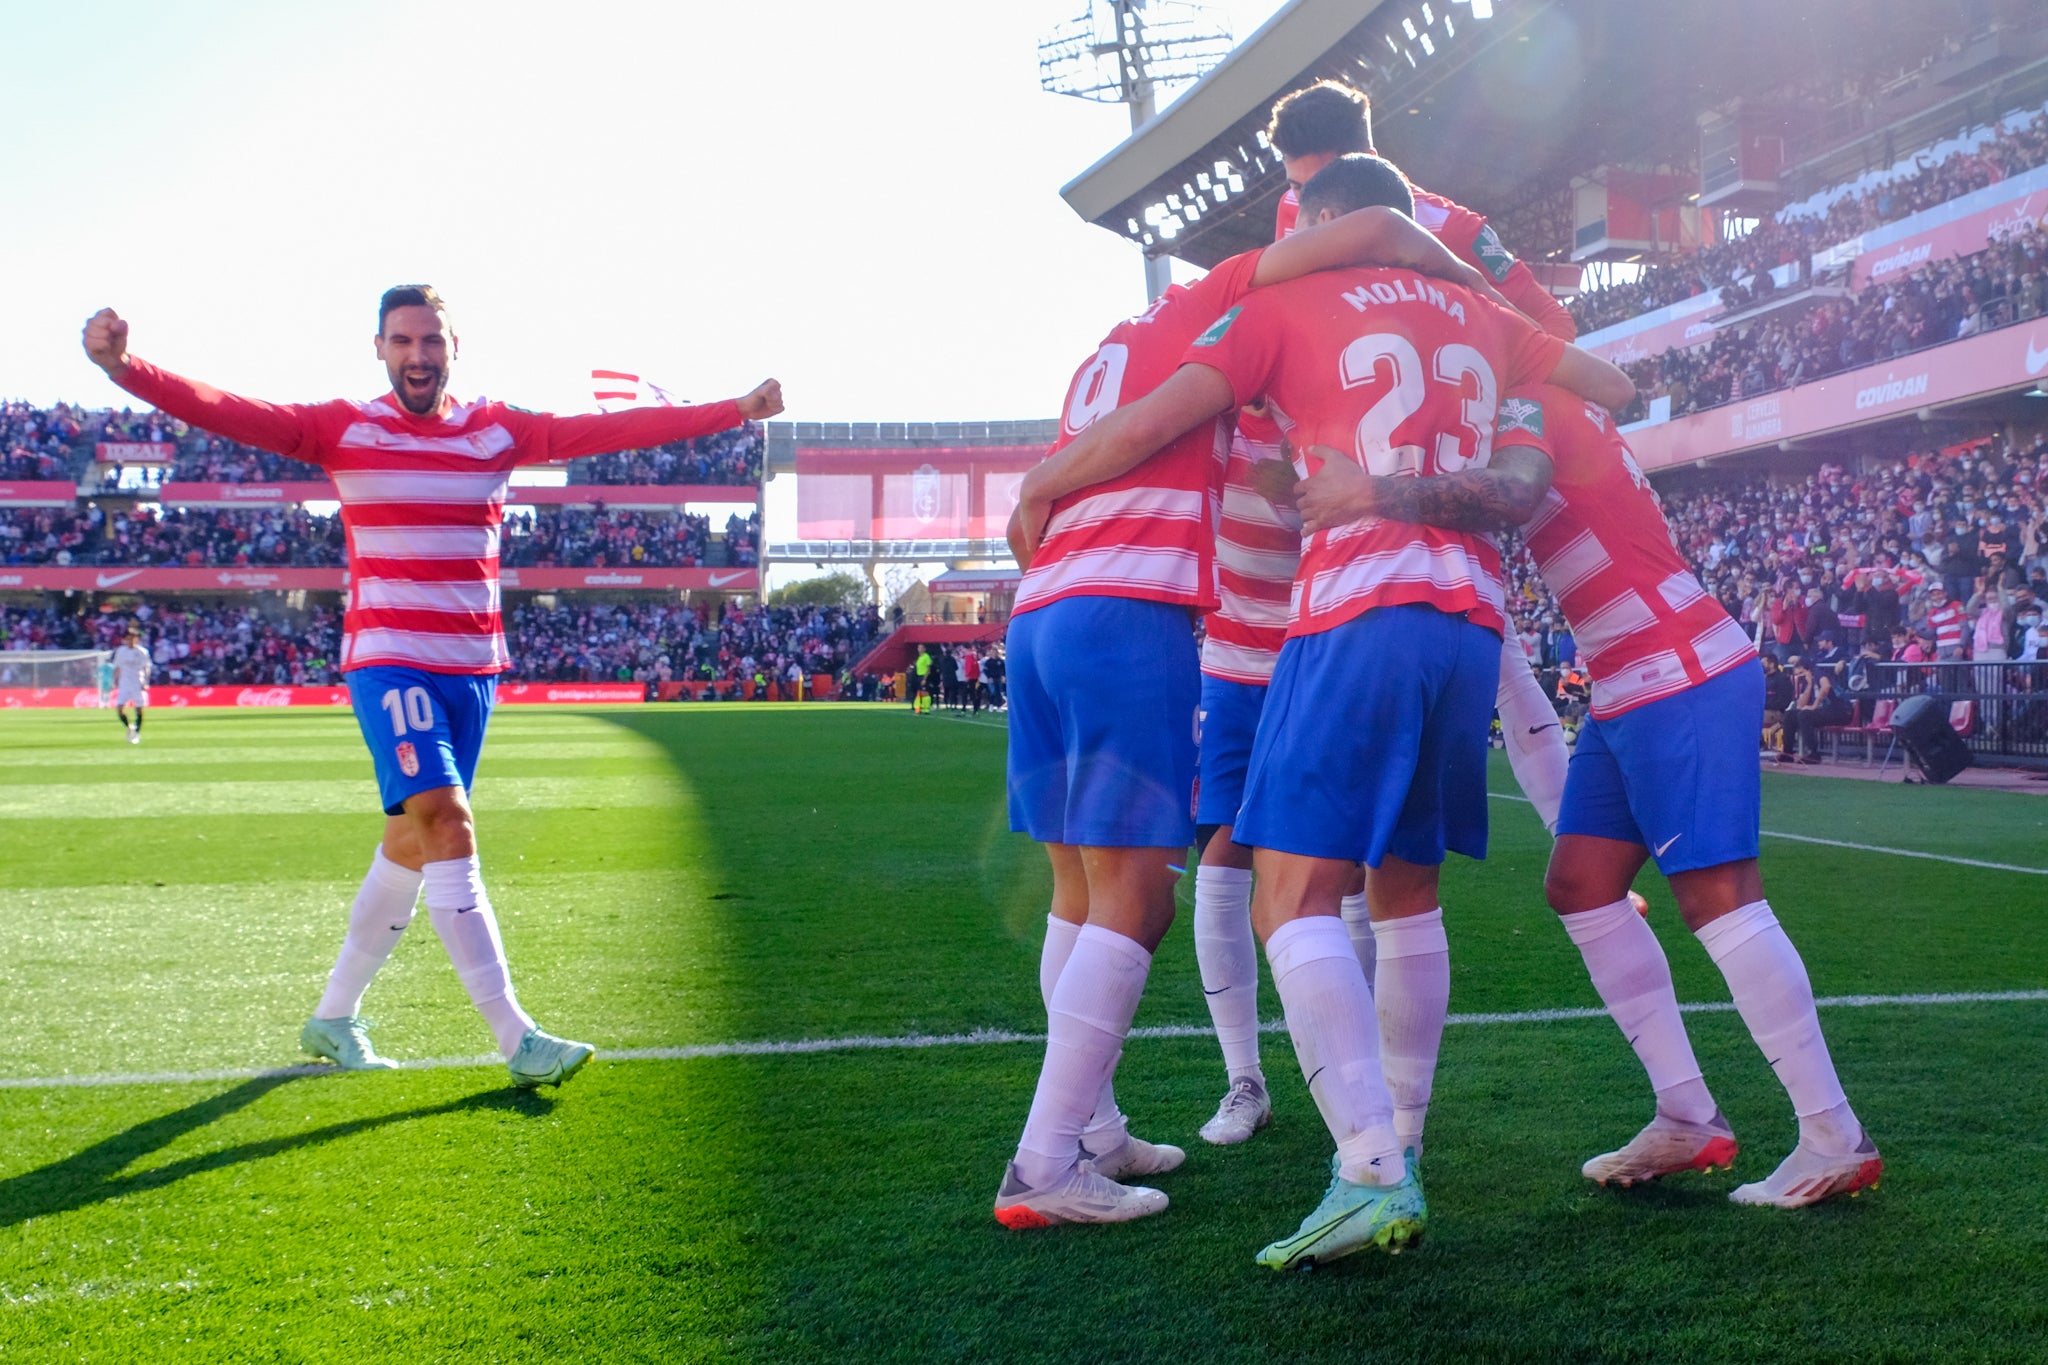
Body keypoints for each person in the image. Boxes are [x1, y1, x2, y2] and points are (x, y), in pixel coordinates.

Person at [1011, 154, 1633, 1266]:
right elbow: (1611, 387)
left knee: (1272, 893)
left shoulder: (1263, 306)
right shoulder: (1481, 320)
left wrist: (1033, 488)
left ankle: (1363, 1167)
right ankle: (1387, 1133)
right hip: (1466, 623)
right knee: (1402, 893)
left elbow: (1152, 422)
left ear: (1325, 223)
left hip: (1324, 612)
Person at [82, 288, 782, 1086]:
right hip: (389, 660)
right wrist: (126, 366)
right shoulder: (344, 427)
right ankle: (516, 1037)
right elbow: (231, 410)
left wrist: (735, 409)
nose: (419, 354)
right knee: (448, 822)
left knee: (411, 844)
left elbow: (611, 430)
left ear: (456, 347)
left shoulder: (498, 428)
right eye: (403, 341)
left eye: (432, 341)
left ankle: (333, 1017)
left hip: (474, 670)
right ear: (379, 348)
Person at [1387, 384, 1880, 1207]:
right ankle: (1687, 1112)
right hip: (1630, 677)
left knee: (1718, 897)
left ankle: (1832, 1132)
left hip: (1671, 667)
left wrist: (1372, 491)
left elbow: (1506, 494)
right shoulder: (1544, 400)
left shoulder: (1529, 403)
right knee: (1580, 884)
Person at [111, 625, 151, 744]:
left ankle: (137, 732)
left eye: (133, 638)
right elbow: (118, 667)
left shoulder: (142, 652)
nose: (131, 640)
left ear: (137, 639)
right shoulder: (121, 651)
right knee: (120, 709)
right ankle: (130, 727)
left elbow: (146, 667)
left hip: (138, 682)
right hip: (124, 682)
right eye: (129, 638)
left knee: (139, 709)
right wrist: (115, 680)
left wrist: (146, 682)